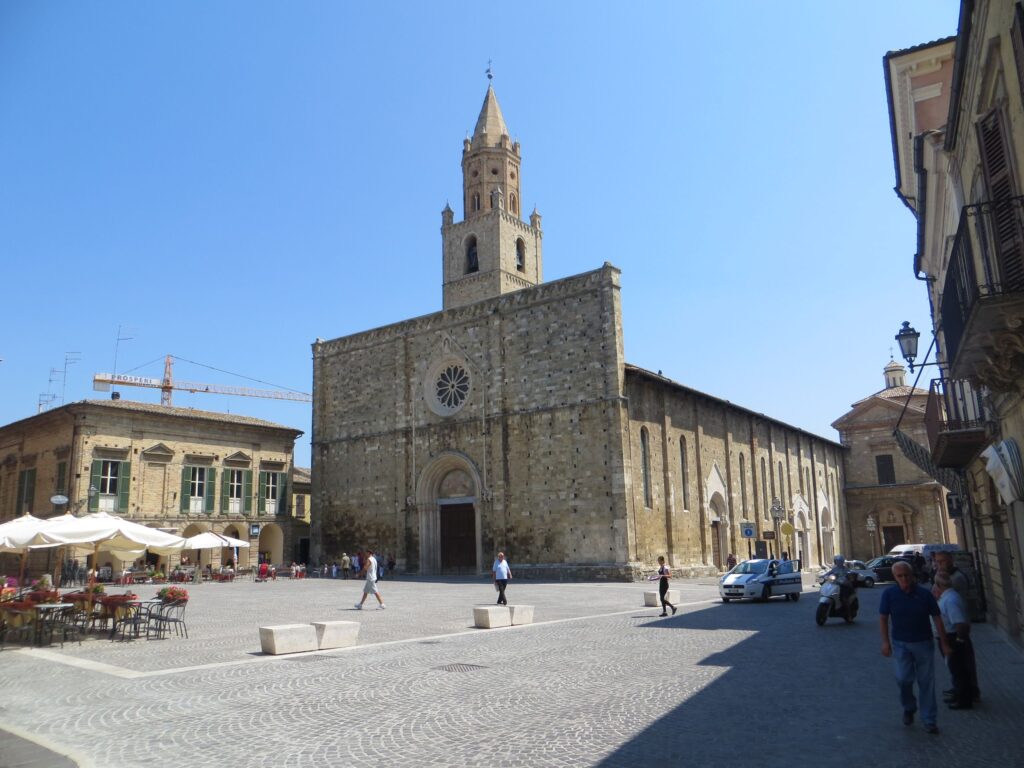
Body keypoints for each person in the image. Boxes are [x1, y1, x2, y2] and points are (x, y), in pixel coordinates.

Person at [879, 560, 951, 735]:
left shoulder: (924, 595)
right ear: (895, 577)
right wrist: (885, 642)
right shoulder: (889, 594)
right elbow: (883, 618)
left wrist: (944, 642)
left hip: (924, 643)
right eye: (900, 576)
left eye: (906, 575)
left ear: (912, 576)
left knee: (927, 682)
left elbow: (937, 618)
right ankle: (909, 706)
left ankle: (929, 720)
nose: (904, 578)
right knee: (903, 679)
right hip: (900, 644)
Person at [933, 551, 979, 703]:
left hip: (956, 629)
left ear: (950, 560)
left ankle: (969, 692)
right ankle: (959, 689)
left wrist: (959, 638)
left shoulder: (956, 578)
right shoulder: (944, 576)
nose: (939, 565)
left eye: (942, 562)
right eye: (937, 562)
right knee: (955, 665)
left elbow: (945, 599)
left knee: (962, 664)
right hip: (950, 628)